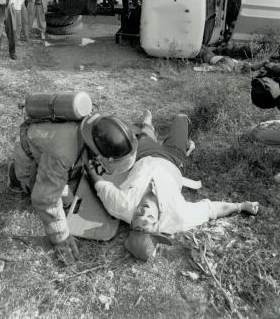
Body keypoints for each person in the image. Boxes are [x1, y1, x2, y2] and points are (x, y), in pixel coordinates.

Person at [85, 111, 259, 260]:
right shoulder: (179, 217)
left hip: (143, 155)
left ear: (131, 225)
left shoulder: (121, 206)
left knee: (142, 136)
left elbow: (100, 185)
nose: (144, 211)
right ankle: (183, 143)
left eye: (138, 220)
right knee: (181, 118)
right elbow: (212, 209)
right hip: (173, 160)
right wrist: (241, 206)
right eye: (150, 219)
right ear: (157, 225)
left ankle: (148, 123)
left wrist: (89, 169)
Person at [8, 110, 139, 264]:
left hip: (51, 145)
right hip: (29, 151)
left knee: (68, 194)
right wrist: (61, 237)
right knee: (46, 195)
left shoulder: (94, 127)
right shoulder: (62, 154)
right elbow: (45, 200)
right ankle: (15, 175)